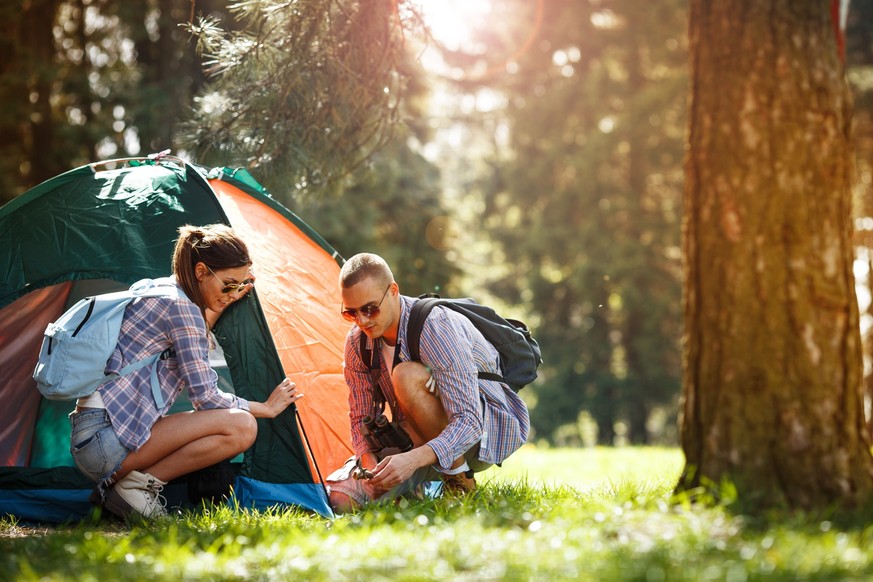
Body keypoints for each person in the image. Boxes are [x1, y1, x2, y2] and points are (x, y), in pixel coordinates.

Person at [69, 224, 303, 519]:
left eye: (240, 285)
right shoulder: (183, 310)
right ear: (202, 271)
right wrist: (265, 408)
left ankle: (117, 487)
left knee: (234, 422)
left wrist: (224, 296)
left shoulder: (164, 291)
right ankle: (136, 489)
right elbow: (205, 398)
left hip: (95, 436)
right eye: (229, 284)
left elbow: (193, 331)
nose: (233, 293)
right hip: (106, 440)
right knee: (242, 426)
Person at [327, 253, 530, 512]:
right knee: (342, 501)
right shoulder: (357, 342)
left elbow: (469, 421)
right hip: (413, 436)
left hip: (481, 435)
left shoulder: (435, 325)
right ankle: (412, 490)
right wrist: (368, 462)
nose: (362, 321)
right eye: (350, 313)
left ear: (393, 291)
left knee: (405, 376)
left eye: (369, 309)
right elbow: (360, 416)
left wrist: (410, 460)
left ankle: (459, 481)